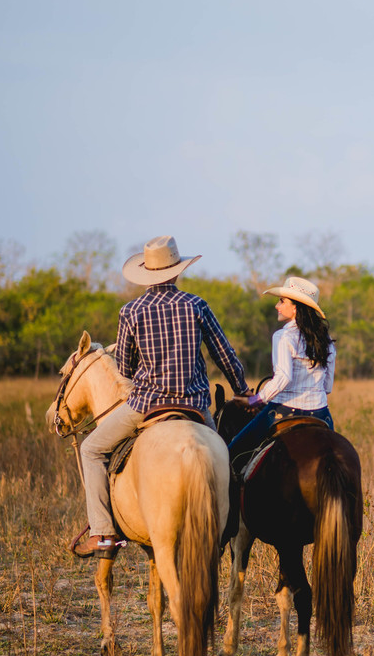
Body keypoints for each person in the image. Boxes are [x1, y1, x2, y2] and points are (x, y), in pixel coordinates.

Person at [72, 235, 251, 558]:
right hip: (196, 407)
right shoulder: (197, 305)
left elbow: (125, 369)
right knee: (224, 458)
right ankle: (228, 525)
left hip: (145, 407)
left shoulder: (131, 311)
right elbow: (224, 354)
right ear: (176, 271)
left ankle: (102, 533)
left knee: (91, 449)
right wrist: (243, 390)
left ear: (147, 273)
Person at [228, 276, 336, 468]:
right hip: (321, 413)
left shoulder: (283, 336)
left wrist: (254, 400)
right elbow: (327, 386)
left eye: (282, 301)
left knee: (232, 453)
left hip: (283, 411)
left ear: (296, 307)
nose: (277, 306)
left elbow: (284, 378)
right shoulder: (326, 340)